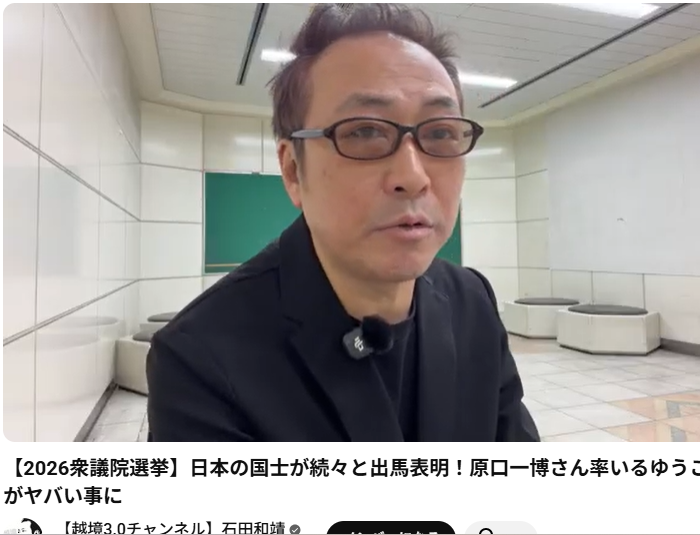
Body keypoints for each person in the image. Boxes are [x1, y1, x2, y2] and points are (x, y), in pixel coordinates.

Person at [146, 3, 540, 442]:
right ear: (293, 170)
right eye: (364, 131)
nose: (413, 176)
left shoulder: (472, 301)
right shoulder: (200, 358)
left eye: (440, 133)